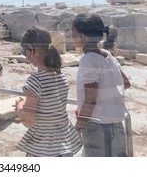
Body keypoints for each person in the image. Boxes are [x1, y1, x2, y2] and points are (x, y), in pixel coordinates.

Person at [13, 25, 82, 157]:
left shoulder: (35, 81)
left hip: (43, 148)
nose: (25, 56)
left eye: (24, 51)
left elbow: (28, 121)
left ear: (31, 50)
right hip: (64, 144)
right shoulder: (61, 76)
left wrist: (19, 107)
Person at [71, 13, 131, 157]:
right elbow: (126, 83)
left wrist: (78, 125)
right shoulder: (108, 56)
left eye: (73, 33)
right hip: (116, 124)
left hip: (96, 125)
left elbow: (91, 100)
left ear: (83, 37)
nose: (71, 37)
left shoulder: (88, 60)